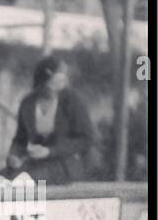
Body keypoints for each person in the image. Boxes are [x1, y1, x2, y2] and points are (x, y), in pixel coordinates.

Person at [6, 56, 95, 184]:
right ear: (43, 79)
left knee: (24, 181)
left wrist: (50, 151)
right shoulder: (28, 103)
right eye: (59, 73)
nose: (53, 90)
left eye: (63, 76)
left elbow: (87, 139)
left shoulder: (73, 101)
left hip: (65, 165)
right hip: (35, 163)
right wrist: (14, 155)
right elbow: (20, 139)